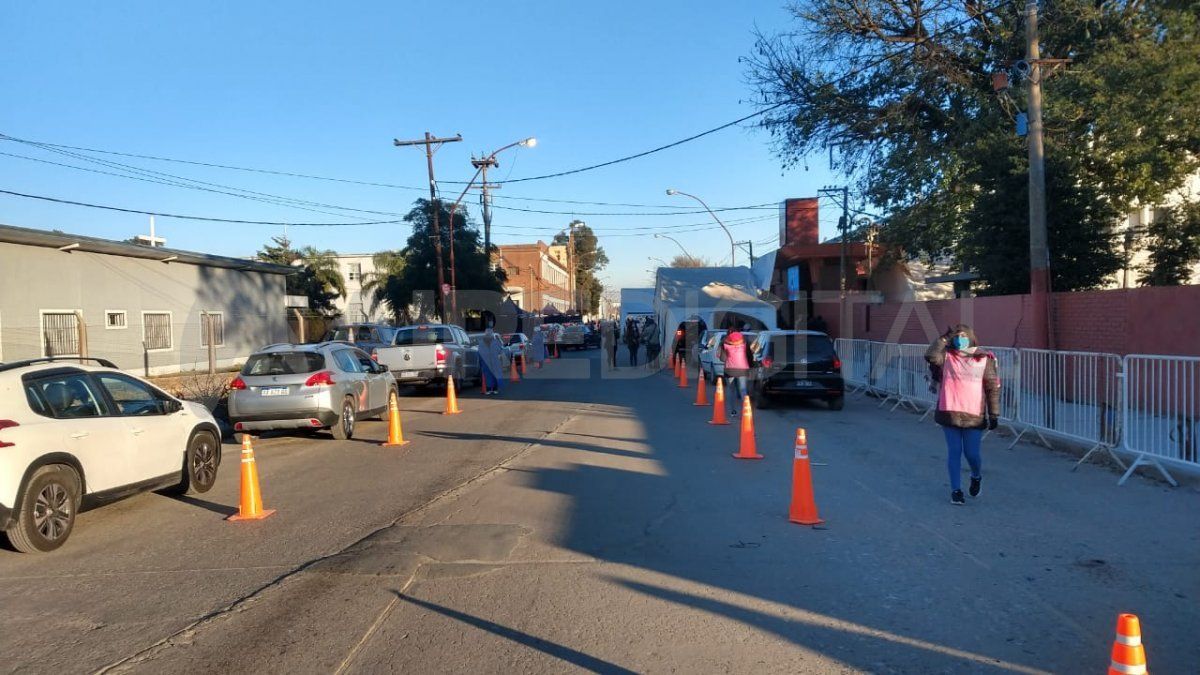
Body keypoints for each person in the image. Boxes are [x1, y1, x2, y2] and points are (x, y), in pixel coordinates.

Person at [925, 324, 1001, 505]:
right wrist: (944, 338)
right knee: (954, 452)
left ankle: (976, 476)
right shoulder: (946, 357)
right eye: (957, 336)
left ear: (971, 338)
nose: (960, 340)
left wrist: (994, 414)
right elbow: (930, 356)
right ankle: (956, 491)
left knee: (972, 454)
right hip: (949, 411)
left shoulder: (983, 358)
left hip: (974, 414)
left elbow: (992, 388)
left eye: (964, 336)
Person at [717, 330, 754, 417]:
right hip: (743, 369)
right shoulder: (745, 344)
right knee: (743, 390)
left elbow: (722, 359)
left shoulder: (725, 345)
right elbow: (750, 356)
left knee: (731, 390)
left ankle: (733, 411)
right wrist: (750, 365)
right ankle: (745, 411)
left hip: (730, 370)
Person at [478, 328, 507, 395]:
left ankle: (490, 389)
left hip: (488, 361)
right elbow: (500, 350)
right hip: (493, 361)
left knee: (488, 375)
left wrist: (481, 361)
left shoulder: (482, 342)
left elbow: (479, 353)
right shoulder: (495, 341)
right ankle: (494, 389)